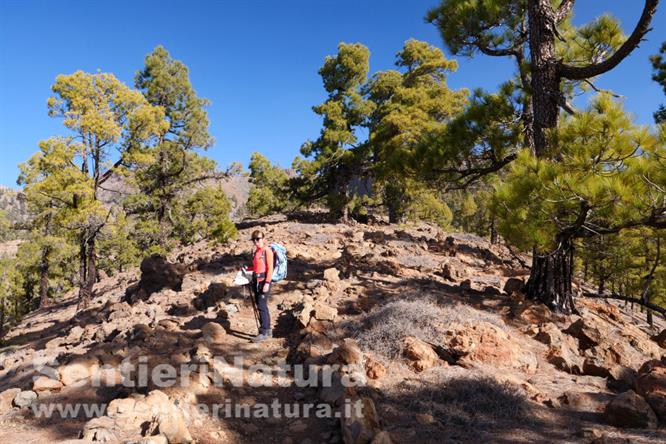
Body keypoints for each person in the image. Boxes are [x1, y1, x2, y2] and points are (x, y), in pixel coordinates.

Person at [243, 229, 273, 342]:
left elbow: (270, 269)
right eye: (254, 240)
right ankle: (268, 330)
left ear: (263, 239)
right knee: (262, 305)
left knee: (261, 306)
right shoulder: (256, 252)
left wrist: (267, 283)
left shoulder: (267, 251)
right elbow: (256, 267)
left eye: (258, 239)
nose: (256, 241)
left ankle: (263, 332)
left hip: (264, 281)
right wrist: (247, 268)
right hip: (256, 281)